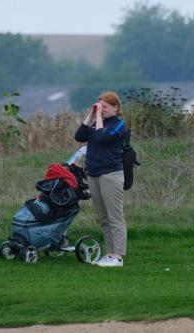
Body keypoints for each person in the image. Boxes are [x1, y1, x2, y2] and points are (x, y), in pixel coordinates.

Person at [74, 91, 127, 267]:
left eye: (105, 107)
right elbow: (79, 136)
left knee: (115, 217)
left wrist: (98, 116)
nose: (102, 110)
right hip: (94, 174)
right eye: (100, 106)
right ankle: (110, 254)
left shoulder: (119, 125)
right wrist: (91, 114)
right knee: (104, 218)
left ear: (115, 108)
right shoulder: (97, 122)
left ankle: (118, 256)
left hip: (111, 175)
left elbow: (102, 137)